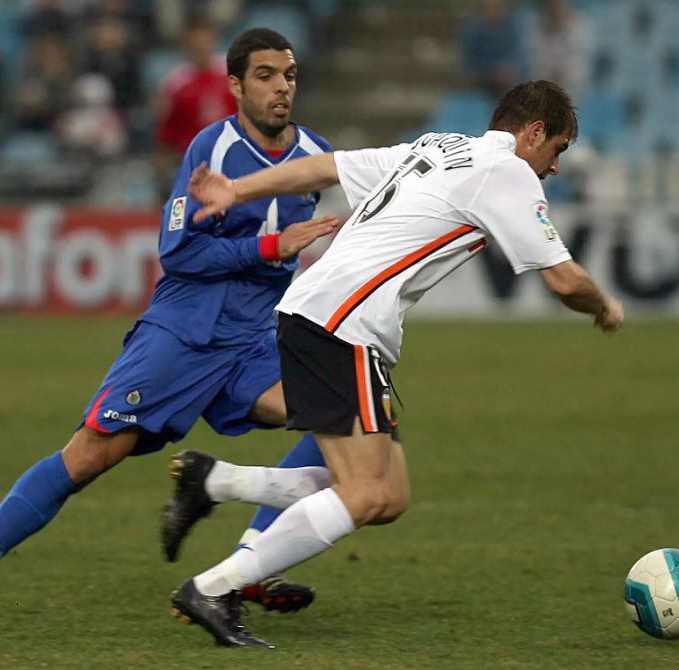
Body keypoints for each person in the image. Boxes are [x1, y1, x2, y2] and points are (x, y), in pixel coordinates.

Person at [0, 28, 342, 624]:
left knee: (343, 416)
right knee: (87, 457)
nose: (281, 87)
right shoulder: (214, 148)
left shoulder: (317, 152)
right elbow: (179, 253)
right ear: (235, 85)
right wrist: (269, 247)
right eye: (265, 76)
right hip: (182, 336)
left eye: (288, 75)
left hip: (251, 343)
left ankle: (249, 567)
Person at [167, 80, 625, 648]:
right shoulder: (507, 172)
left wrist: (237, 190)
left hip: (323, 315)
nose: (554, 167)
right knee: (364, 494)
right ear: (534, 133)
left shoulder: (433, 146)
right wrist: (604, 305)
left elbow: (324, 168)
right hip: (344, 325)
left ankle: (215, 481)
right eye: (556, 150)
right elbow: (563, 278)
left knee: (388, 495)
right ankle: (214, 586)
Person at [153, 16, 237, 201]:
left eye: (204, 39)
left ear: (214, 39)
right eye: (195, 41)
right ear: (186, 43)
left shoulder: (234, 72)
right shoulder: (175, 82)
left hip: (235, 161)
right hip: (194, 168)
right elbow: (167, 131)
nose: (200, 46)